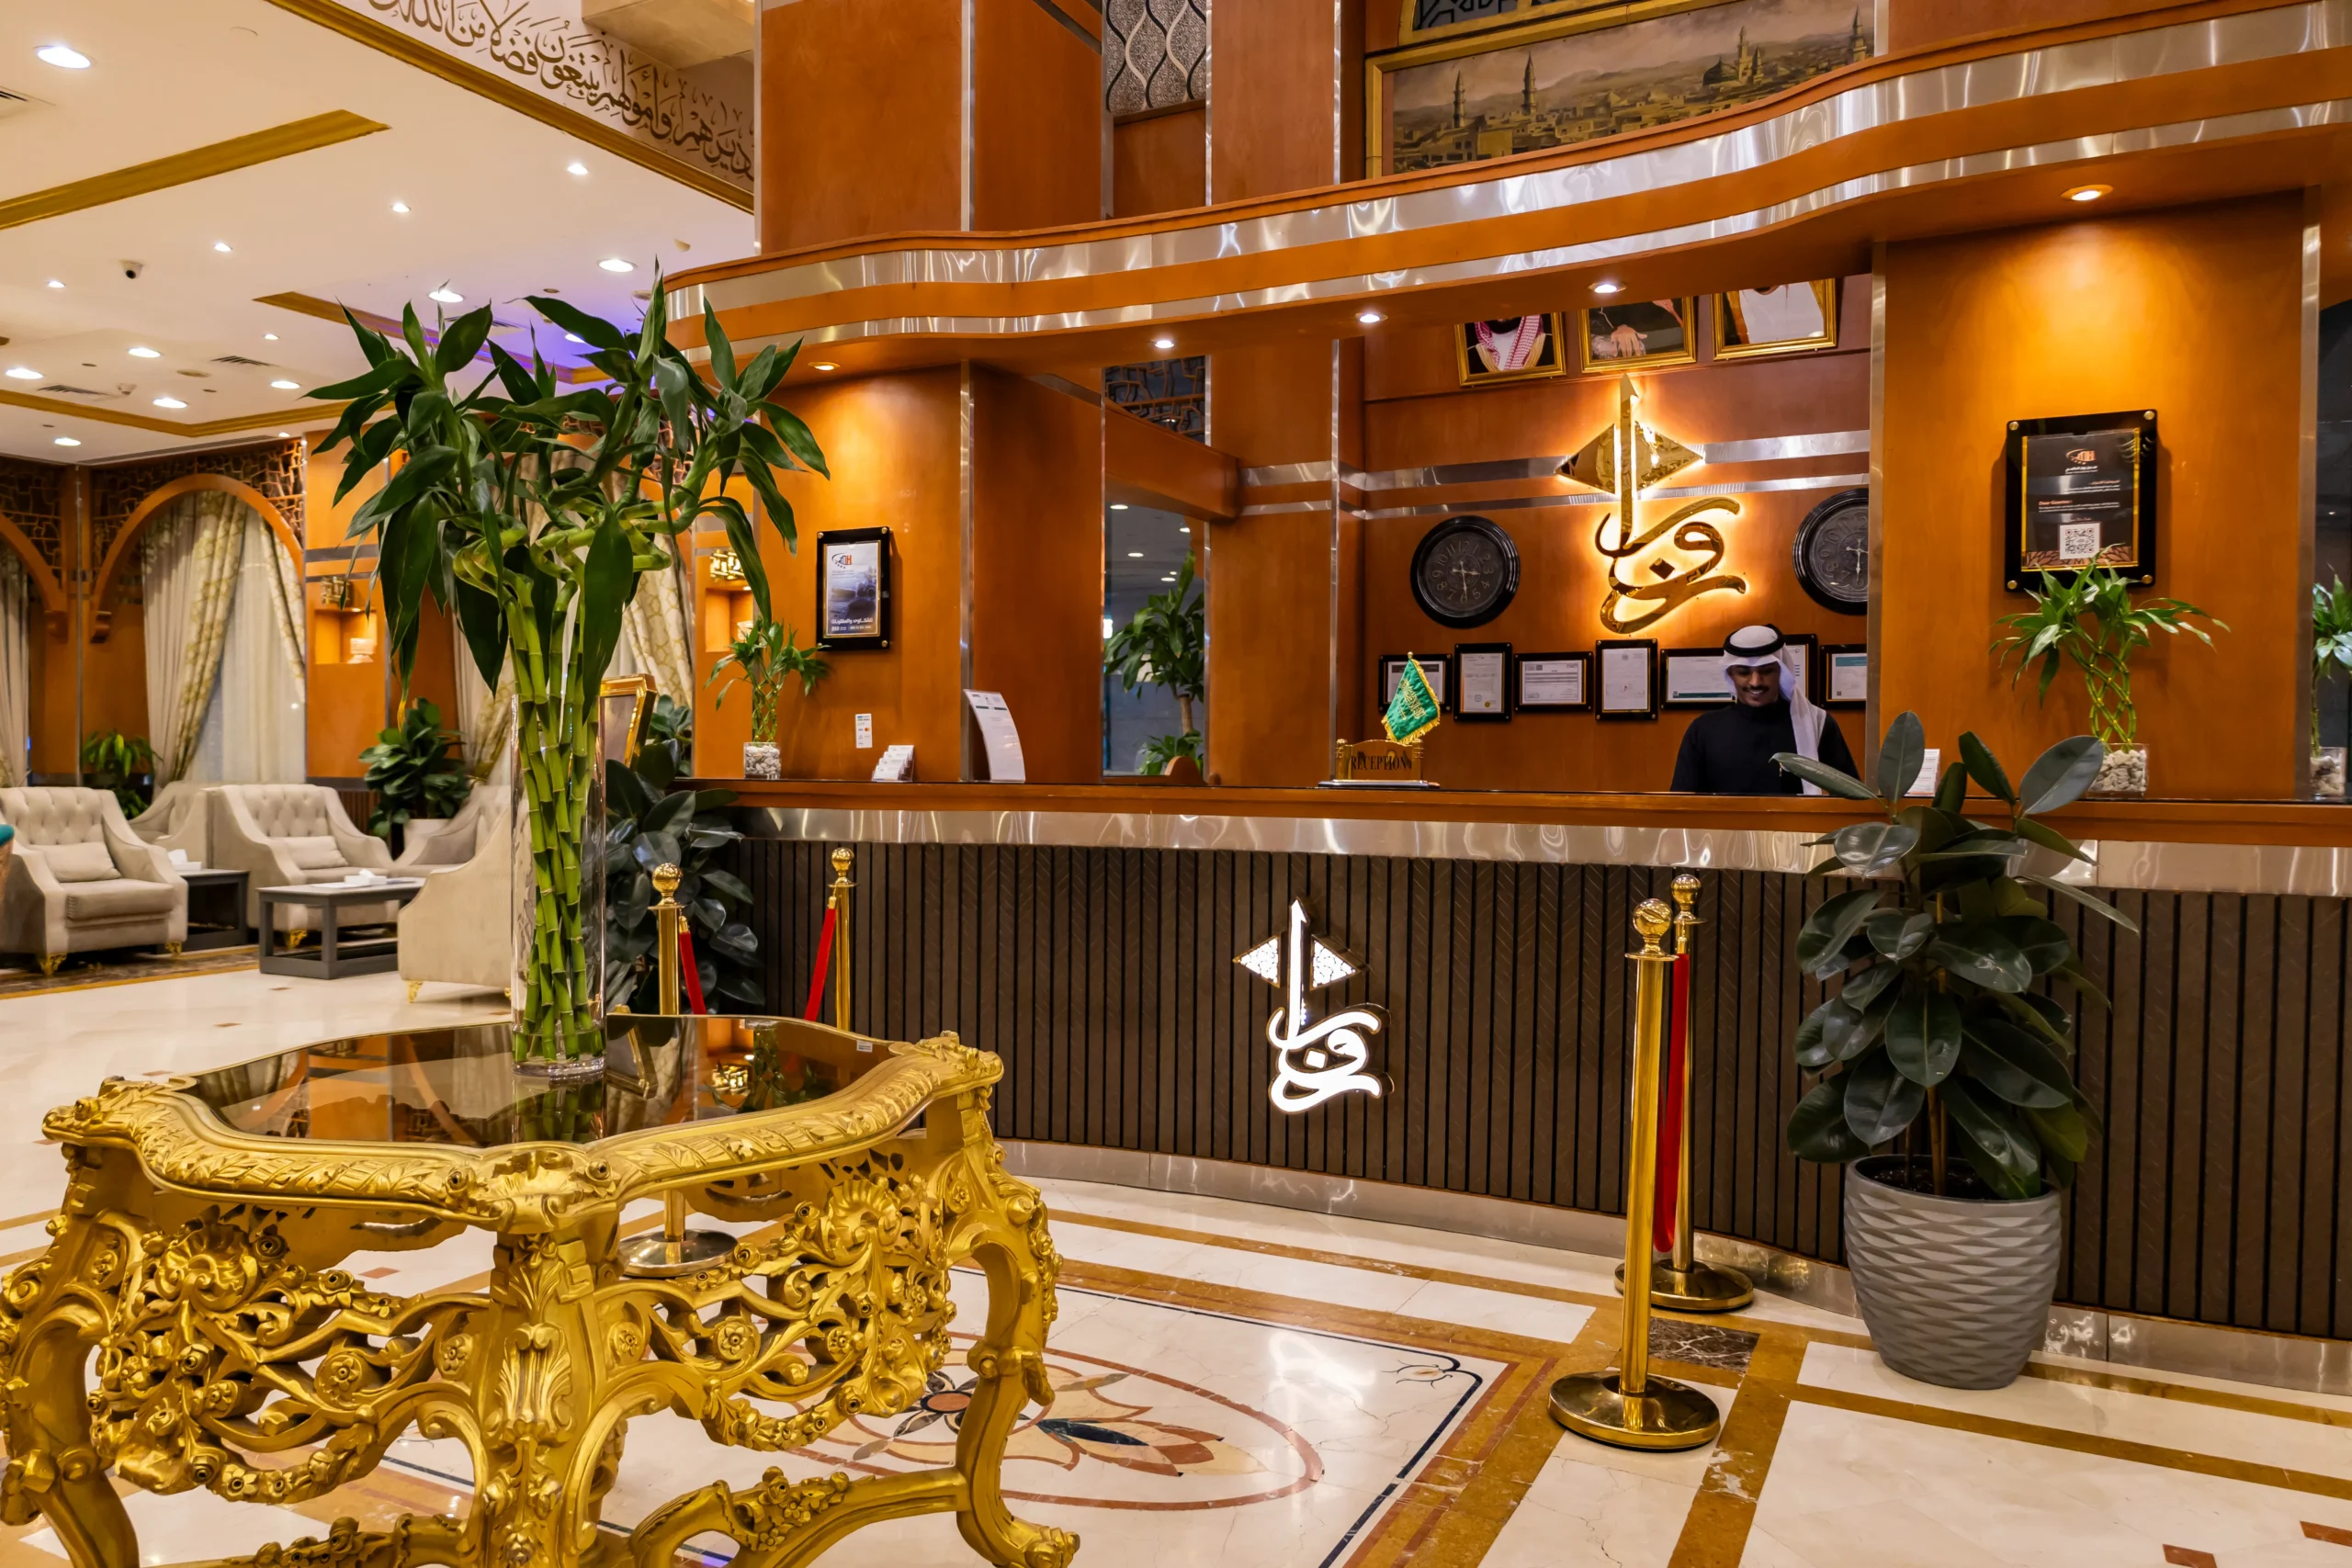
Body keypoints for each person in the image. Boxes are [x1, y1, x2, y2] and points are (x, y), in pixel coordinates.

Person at [1670, 624, 1857, 794]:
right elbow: (1681, 803)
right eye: (1743, 672)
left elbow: (1850, 798)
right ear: (1730, 674)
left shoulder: (1817, 723)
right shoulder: (1703, 729)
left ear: (1782, 671)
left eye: (1766, 671)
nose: (1755, 682)